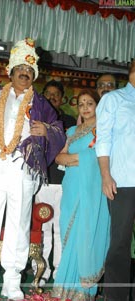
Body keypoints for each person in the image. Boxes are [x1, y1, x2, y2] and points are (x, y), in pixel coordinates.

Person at [0, 38, 66, 299]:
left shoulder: (41, 103)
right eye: (21, 68)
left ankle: (12, 281)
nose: (25, 73)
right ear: (10, 71)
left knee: (19, 223)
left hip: (23, 169)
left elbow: (58, 132)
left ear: (34, 75)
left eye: (30, 71)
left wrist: (46, 131)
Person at [52, 88, 110, 301]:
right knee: (68, 232)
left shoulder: (103, 130)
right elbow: (59, 157)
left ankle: (83, 292)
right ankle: (65, 287)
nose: (85, 108)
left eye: (89, 103)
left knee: (86, 233)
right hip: (71, 187)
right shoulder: (71, 131)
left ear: (97, 106)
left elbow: (100, 156)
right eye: (81, 104)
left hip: (91, 189)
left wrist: (73, 158)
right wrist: (78, 157)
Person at [95, 60, 135, 301]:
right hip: (122, 180)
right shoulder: (114, 99)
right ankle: (116, 297)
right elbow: (103, 138)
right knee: (120, 242)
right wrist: (105, 175)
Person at [33, 80, 76, 286]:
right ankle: (40, 272)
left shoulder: (70, 120)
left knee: (60, 229)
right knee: (42, 228)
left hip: (64, 182)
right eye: (48, 94)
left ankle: (60, 272)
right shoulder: (36, 119)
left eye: (56, 94)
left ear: (61, 98)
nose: (52, 97)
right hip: (41, 181)